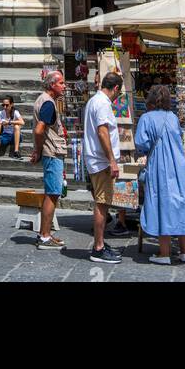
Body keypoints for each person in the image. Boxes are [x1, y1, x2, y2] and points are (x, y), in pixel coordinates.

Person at [134, 84, 185, 264]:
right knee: (181, 203)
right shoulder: (173, 117)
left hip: (160, 165)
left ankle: (164, 253)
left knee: (162, 203)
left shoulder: (146, 118)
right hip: (178, 165)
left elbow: (142, 143)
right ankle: (184, 252)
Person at [84, 71, 123, 264]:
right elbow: (102, 132)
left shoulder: (94, 101)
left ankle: (100, 243)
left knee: (103, 202)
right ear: (115, 88)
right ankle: (98, 247)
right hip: (101, 161)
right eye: (119, 92)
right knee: (102, 202)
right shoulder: (103, 104)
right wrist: (112, 161)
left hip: (97, 159)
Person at [30, 70, 67, 251]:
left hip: (49, 150)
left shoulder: (43, 99)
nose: (64, 86)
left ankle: (46, 233)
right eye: (61, 83)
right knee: (52, 194)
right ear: (52, 85)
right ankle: (44, 236)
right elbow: (39, 130)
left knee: (51, 193)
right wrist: (38, 149)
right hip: (52, 151)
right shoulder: (48, 103)